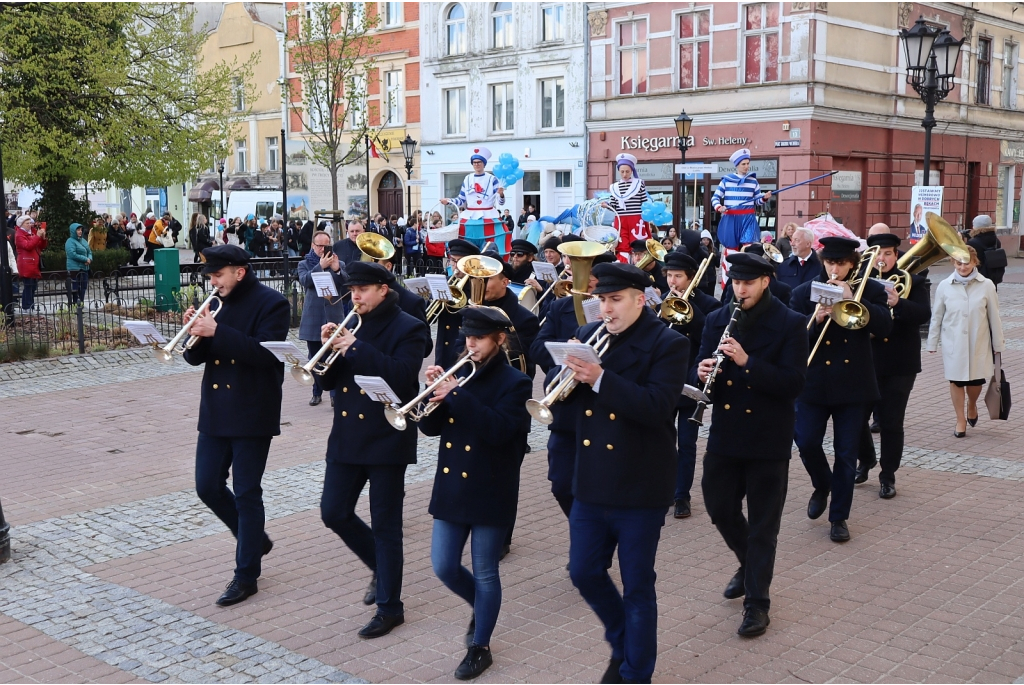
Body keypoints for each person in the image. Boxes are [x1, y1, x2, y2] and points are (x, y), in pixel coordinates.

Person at [560, 262, 687, 684]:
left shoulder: (668, 343)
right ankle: (621, 638)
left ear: (639, 299)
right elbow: (563, 409)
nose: (606, 309)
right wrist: (565, 380)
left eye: (615, 300)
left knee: (637, 586)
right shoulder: (586, 337)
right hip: (593, 481)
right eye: (601, 300)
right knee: (583, 571)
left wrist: (599, 379)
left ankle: (636, 672)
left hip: (639, 484)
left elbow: (656, 407)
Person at [694, 252, 807, 637]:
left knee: (763, 525)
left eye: (747, 282)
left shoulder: (791, 324)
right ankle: (748, 563)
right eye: (735, 282)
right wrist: (702, 369)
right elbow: (701, 363)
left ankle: (757, 604)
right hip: (726, 433)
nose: (739, 289)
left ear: (765, 282)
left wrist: (747, 362)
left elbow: (793, 383)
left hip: (767, 436)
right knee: (719, 506)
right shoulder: (716, 320)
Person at [317, 261, 431, 638]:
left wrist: (355, 347)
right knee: (333, 512)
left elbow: (401, 376)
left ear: (383, 288)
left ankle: (390, 607)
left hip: (386, 438)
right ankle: (379, 566)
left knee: (386, 527)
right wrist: (328, 351)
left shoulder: (409, 327)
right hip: (347, 437)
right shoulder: (353, 324)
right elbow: (333, 379)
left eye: (362, 290)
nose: (355, 297)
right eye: (352, 291)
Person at [418, 307, 533, 681]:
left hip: (490, 486)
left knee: (485, 571)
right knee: (444, 566)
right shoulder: (458, 373)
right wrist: (431, 394)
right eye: (467, 337)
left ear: (498, 340)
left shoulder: (515, 382)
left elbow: (500, 430)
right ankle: (481, 607)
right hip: (452, 487)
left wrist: (456, 396)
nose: (470, 344)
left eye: (479, 338)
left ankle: (480, 646)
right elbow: (431, 430)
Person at [182, 244, 291, 606]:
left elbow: (265, 355)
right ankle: (254, 538)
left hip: (251, 411)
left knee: (246, 493)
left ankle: (246, 574)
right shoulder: (217, 305)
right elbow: (195, 358)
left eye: (217, 275)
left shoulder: (272, 303)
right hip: (216, 411)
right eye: (210, 276)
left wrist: (216, 331)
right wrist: (194, 333)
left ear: (239, 272)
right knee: (207, 486)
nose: (212, 282)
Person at [791, 237, 892, 543]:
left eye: (841, 264)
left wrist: (856, 301)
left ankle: (839, 517)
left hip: (853, 384)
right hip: (814, 383)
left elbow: (885, 328)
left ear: (853, 264)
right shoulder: (802, 292)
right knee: (806, 442)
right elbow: (790, 343)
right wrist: (814, 320)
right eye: (830, 264)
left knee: (846, 454)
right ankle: (822, 484)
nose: (835, 270)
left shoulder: (871, 289)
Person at [530, 249, 615, 535]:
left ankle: (591, 541)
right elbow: (537, 347)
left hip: (603, 407)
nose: (589, 283)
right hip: (566, 406)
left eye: (593, 278)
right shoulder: (559, 308)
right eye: (585, 277)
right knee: (561, 483)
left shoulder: (617, 314)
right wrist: (566, 350)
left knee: (601, 484)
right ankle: (586, 533)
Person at [855, 233, 931, 498]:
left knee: (891, 422)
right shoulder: (860, 282)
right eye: (877, 253)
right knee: (856, 418)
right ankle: (866, 459)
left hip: (900, 362)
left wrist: (898, 303)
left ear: (896, 255)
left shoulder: (915, 281)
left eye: (887, 253)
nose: (882, 258)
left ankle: (888, 476)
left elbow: (924, 314)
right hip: (866, 360)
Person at [662, 251, 721, 520]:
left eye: (678, 276)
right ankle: (662, 490)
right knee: (662, 442)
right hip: (662, 381)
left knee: (686, 443)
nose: (673, 281)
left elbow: (711, 339)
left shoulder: (707, 304)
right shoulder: (661, 301)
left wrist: (690, 311)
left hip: (689, 379)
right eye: (669, 275)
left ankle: (681, 495)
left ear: (692, 278)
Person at [926, 246, 1004, 437]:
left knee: (976, 381)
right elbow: (937, 316)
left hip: (979, 341)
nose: (962, 267)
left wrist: (998, 345)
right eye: (958, 262)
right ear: (953, 262)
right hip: (953, 342)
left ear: (975, 262)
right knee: (957, 381)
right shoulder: (945, 285)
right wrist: (932, 342)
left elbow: (995, 317)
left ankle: (972, 404)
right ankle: (960, 419)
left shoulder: (986, 285)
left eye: (966, 262)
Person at [297, 230, 347, 407]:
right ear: (313, 245)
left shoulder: (338, 262)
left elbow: (347, 284)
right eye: (319, 246)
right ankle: (316, 392)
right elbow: (304, 280)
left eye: (325, 245)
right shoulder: (304, 263)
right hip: (314, 316)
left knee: (334, 356)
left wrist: (337, 269)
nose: (322, 249)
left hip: (334, 315)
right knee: (314, 357)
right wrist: (319, 266)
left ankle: (334, 394)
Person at [712, 149, 771, 285]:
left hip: (748, 218)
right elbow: (715, 198)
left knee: (749, 248)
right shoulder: (726, 181)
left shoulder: (753, 181)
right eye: (743, 164)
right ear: (737, 165)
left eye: (748, 163)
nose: (746, 166)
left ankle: (748, 277)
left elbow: (757, 200)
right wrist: (719, 207)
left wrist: (764, 198)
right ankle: (728, 282)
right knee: (731, 249)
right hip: (731, 218)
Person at [441, 147, 510, 256]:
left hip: (488, 217)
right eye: (474, 162)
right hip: (470, 217)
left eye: (479, 162)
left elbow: (500, 202)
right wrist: (449, 201)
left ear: (484, 163)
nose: (477, 164)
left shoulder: (492, 179)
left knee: (491, 248)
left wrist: (501, 194)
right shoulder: (467, 178)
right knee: (463, 246)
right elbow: (461, 200)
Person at [435, 240, 481, 370]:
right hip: (444, 347)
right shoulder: (446, 281)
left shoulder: (476, 286)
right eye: (453, 261)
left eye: (460, 262)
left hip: (464, 348)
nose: (456, 266)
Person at [601, 153, 651, 264]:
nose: (624, 174)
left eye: (627, 171)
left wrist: (649, 218)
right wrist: (607, 205)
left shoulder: (639, 184)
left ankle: (639, 265)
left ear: (632, 171)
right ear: (619, 171)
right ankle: (623, 266)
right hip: (621, 220)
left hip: (636, 220)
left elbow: (644, 203)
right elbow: (614, 206)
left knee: (637, 245)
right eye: (622, 171)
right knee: (622, 246)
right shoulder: (614, 187)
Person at [720, 243, 792, 307]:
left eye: (749, 283)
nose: (740, 290)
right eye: (736, 282)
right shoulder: (732, 286)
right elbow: (724, 310)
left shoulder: (782, 289)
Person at [14, 214, 47, 311]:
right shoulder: (19, 235)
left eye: (30, 223)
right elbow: (28, 246)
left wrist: (43, 238)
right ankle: (26, 306)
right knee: (28, 286)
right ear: (21, 224)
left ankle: (30, 306)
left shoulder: (32, 233)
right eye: (27, 223)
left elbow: (41, 246)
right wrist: (37, 236)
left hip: (33, 264)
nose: (30, 225)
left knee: (33, 287)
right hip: (26, 264)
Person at [966, 215, 1005, 288]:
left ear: (975, 226)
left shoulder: (972, 243)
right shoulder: (996, 240)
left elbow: (966, 258)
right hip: (992, 277)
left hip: (978, 278)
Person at [64, 223, 92, 304]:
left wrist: (89, 259)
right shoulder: (70, 241)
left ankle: (81, 303)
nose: (80, 231)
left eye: (81, 230)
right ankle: (76, 304)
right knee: (76, 288)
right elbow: (72, 254)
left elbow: (89, 251)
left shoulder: (83, 240)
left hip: (85, 268)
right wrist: (85, 259)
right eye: (78, 230)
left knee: (83, 287)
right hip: (74, 269)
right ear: (73, 231)